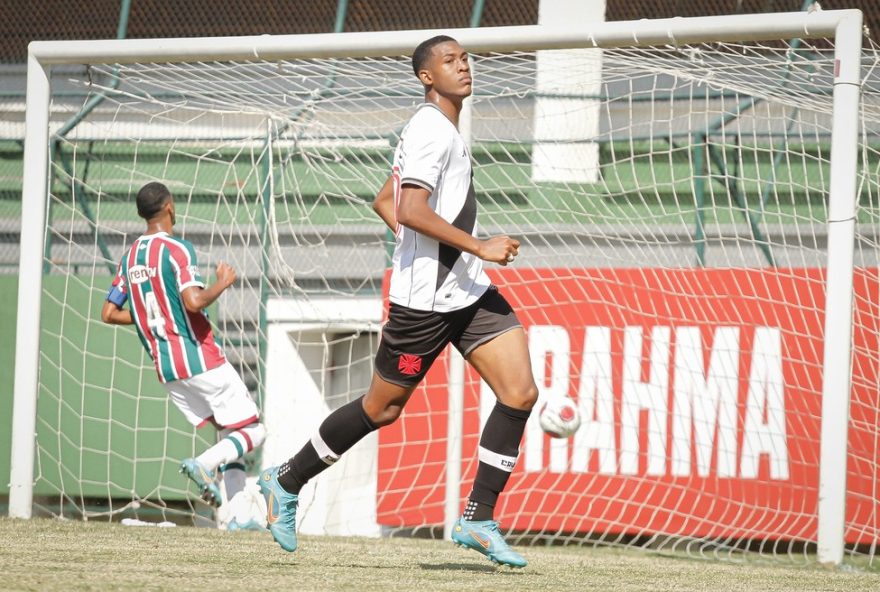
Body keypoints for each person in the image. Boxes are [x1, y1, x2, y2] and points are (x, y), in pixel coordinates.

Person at [258, 35, 538, 568]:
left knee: (519, 392)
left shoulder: (441, 128)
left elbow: (385, 201)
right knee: (382, 408)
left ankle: (477, 518)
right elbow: (408, 208)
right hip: (425, 304)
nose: (463, 67)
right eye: (449, 61)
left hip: (467, 290)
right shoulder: (431, 129)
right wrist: (475, 246)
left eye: (465, 58)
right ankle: (285, 480)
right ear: (426, 77)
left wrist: (442, 255)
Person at [101, 181, 267, 530]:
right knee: (254, 429)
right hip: (197, 356)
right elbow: (193, 301)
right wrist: (222, 283)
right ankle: (205, 464)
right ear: (170, 207)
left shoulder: (129, 256)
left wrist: (152, 314)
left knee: (229, 431)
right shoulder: (177, 249)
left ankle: (237, 516)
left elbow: (108, 313)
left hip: (166, 367)